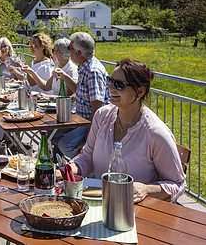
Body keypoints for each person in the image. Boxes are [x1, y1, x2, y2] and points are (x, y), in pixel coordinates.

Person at [61, 59, 185, 203]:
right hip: (104, 204)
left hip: (137, 212)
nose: (111, 88)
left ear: (140, 91)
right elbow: (87, 157)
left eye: (119, 85)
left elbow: (177, 184)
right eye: (110, 81)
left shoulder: (156, 133)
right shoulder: (102, 116)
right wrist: (66, 171)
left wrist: (146, 189)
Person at [53, 32, 110, 158]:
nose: (69, 52)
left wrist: (87, 140)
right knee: (50, 133)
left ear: (79, 53)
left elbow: (97, 108)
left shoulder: (93, 71)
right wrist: (64, 76)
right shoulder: (84, 67)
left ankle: (87, 164)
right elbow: (79, 90)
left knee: (65, 145)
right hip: (80, 119)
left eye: (70, 48)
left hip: (93, 123)